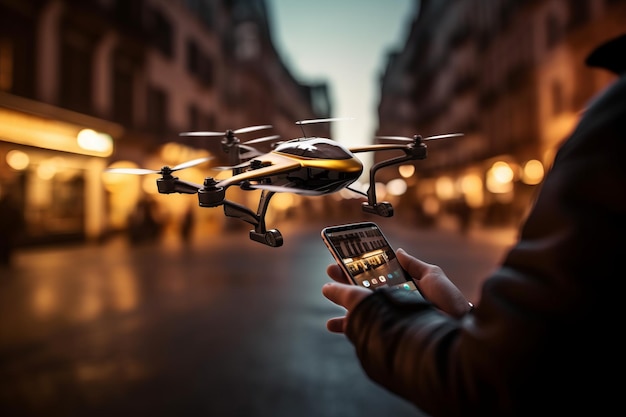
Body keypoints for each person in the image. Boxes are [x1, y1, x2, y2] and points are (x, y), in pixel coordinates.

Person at [321, 33, 626, 417]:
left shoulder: (614, 121)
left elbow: (492, 381)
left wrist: (375, 319)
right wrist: (465, 317)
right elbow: (564, 350)